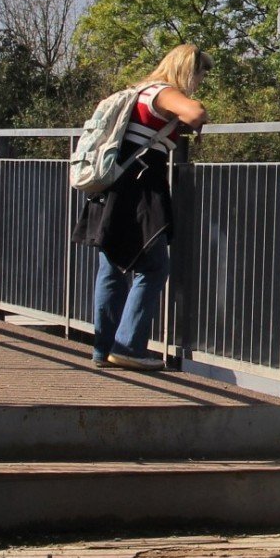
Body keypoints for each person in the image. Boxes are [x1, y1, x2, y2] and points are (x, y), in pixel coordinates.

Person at [72, 44, 209, 368]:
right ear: (187, 70)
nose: (201, 81)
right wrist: (196, 113)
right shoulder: (162, 92)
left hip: (117, 187)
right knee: (154, 266)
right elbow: (195, 113)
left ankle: (102, 349)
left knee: (113, 267)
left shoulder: (138, 92)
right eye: (201, 74)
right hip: (141, 190)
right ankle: (129, 347)